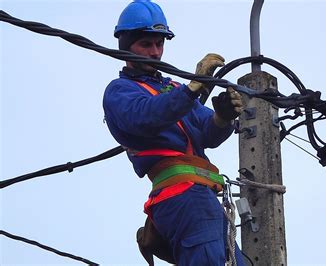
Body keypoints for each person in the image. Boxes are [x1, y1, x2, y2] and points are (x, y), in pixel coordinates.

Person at [103, 0, 246, 265]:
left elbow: (207, 132)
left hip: (205, 197)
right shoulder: (120, 91)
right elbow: (148, 116)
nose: (155, 52)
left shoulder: (172, 88)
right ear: (126, 46)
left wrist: (222, 117)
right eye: (146, 44)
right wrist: (193, 88)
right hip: (179, 196)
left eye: (159, 44)